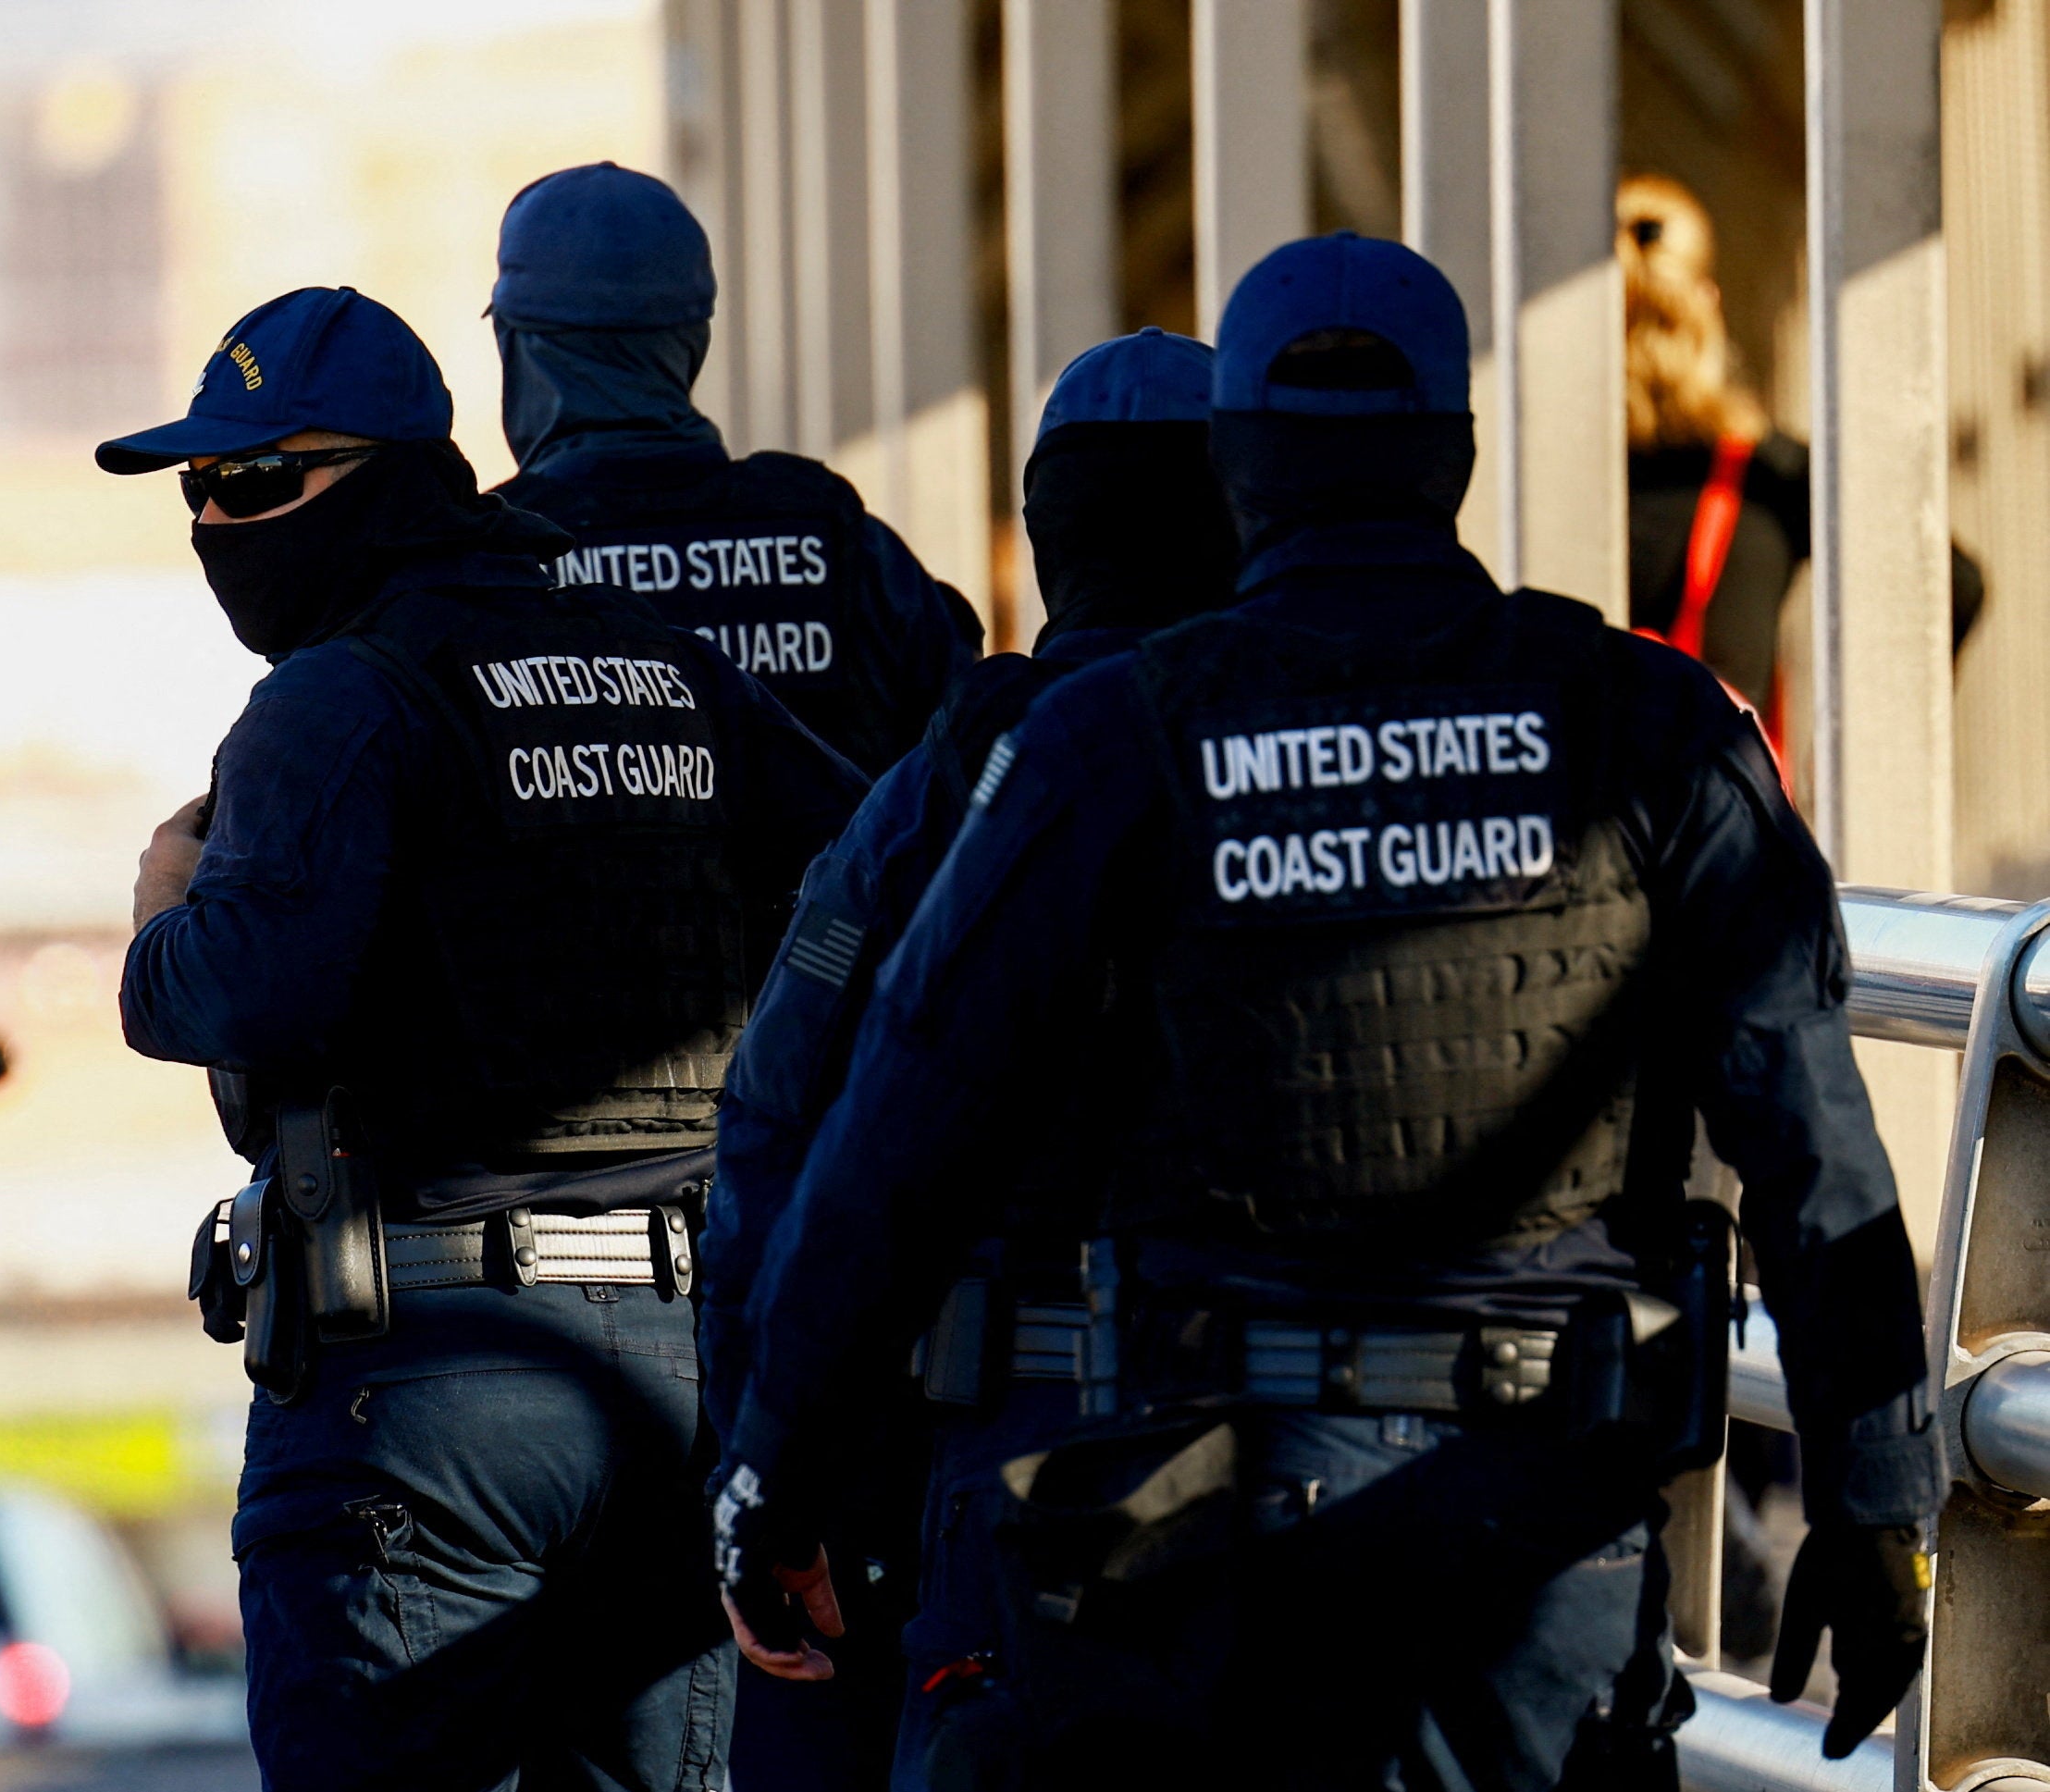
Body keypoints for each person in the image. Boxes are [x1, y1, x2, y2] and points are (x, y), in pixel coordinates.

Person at [711, 234, 1939, 1789]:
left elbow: (897, 1129)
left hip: (1181, 1536)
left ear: (1242, 466)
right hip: (1532, 1538)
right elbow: (1818, 1148)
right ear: (1458, 449)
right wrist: (1876, 1497)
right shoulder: (1648, 724)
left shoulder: (1114, 741)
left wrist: (774, 1475)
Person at [105, 285, 868, 1792]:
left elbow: (249, 994)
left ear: (381, 473)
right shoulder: (665, 671)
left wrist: (158, 922)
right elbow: (878, 876)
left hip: (425, 1389)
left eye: (252, 479)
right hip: (682, 1376)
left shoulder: (336, 700)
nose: (215, 515)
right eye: (198, 486)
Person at [698, 327, 1237, 1789]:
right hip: (1333, 1452)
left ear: (1046, 535)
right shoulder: (1317, 748)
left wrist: (764, 1474)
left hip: (1014, 1459)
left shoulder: (944, 787)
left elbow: (776, 1122)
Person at [489, 162, 982, 776]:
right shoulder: (851, 549)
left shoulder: (486, 568)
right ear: (692, 341)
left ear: (520, 346)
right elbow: (974, 778)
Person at [1621, 171, 1982, 746]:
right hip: (1724, 828)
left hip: (1569, 827)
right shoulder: (1771, 476)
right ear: (1706, 298)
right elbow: (1954, 585)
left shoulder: (1541, 480)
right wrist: (1869, 755)